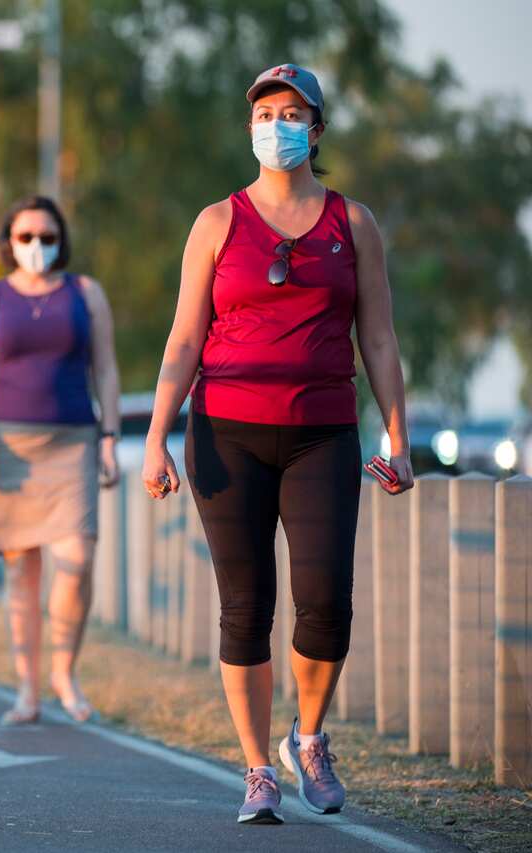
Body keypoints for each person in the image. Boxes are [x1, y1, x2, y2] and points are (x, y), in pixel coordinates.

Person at [141, 64, 414, 824]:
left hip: (323, 433)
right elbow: (184, 337)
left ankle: (311, 736)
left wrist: (400, 435)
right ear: (249, 126)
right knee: (245, 605)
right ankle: (259, 768)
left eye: (293, 113)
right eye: (265, 112)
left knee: (326, 604)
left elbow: (382, 340)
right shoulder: (216, 223)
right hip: (225, 434)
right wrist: (156, 437)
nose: (277, 124)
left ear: (317, 130)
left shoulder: (351, 224)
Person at [0, 195, 122, 726]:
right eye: (25, 237)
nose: (37, 246)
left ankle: (64, 671)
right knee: (22, 571)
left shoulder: (86, 294)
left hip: (73, 444)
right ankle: (27, 689)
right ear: (8, 243)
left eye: (47, 237)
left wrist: (109, 436)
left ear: (60, 241)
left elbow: (106, 370)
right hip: (8, 446)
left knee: (77, 559)